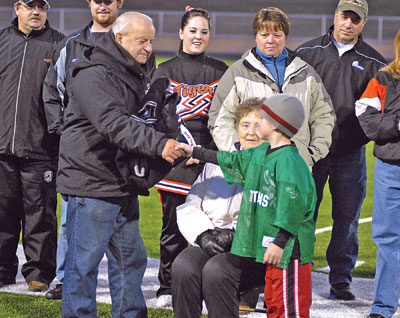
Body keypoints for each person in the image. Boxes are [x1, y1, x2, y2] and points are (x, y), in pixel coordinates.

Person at [58, 12, 183, 318]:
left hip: (119, 180)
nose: (148, 48)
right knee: (83, 265)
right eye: (142, 40)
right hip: (91, 180)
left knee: (131, 260)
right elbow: (113, 123)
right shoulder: (94, 74)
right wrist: (160, 144)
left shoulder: (132, 71)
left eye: (151, 41)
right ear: (119, 38)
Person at [177, 94, 316, 318]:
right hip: (269, 248)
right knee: (274, 304)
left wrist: (279, 243)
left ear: (274, 125)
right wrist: (194, 151)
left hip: (289, 252)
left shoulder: (290, 162)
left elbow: (292, 208)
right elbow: (232, 160)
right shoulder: (260, 153)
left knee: (289, 309)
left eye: (261, 120)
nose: (254, 126)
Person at [296, 0, 386, 300]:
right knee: (303, 213)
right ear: (334, 16)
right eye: (344, 16)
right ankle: (297, 269)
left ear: (363, 24)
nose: (348, 24)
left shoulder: (375, 62)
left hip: (350, 153)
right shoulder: (307, 53)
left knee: (347, 217)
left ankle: (340, 278)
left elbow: (377, 111)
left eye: (355, 20)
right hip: (311, 152)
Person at [42, 0, 128, 301]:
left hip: (119, 148)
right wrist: (63, 129)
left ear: (120, 3)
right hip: (81, 150)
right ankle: (66, 279)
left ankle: (123, 287)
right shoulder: (72, 45)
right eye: (97, 0)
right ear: (89, 3)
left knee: (121, 224)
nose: (103, 5)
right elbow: (53, 89)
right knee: (71, 218)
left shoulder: (131, 41)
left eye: (109, 0)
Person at [151, 6, 228, 307]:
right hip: (174, 161)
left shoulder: (222, 71)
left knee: (215, 225)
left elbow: (226, 118)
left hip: (211, 159)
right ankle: (167, 287)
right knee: (173, 226)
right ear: (181, 33)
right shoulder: (164, 70)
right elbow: (158, 119)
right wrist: (180, 152)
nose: (198, 36)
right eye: (193, 31)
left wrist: (207, 154)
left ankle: (213, 285)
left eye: (204, 32)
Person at [171, 99, 267, 318]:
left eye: (257, 125)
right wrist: (204, 234)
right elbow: (191, 204)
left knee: (217, 270)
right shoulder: (216, 162)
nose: (250, 132)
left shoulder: (272, 163)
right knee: (184, 265)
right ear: (236, 128)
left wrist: (234, 235)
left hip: (250, 248)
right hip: (212, 238)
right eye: (244, 125)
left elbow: (266, 212)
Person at [208, 7, 335, 171]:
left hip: (295, 168)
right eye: (264, 35)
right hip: (253, 170)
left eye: (277, 35)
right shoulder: (237, 72)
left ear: (285, 37)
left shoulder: (306, 73)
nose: (271, 40)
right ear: (256, 37)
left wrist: (312, 154)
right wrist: (238, 155)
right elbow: (220, 119)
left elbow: (324, 115)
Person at [0, 0, 64, 292]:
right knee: (3, 212)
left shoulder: (59, 45)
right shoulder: (2, 41)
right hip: (2, 147)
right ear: (17, 8)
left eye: (41, 6)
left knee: (40, 214)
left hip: (41, 148)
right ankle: (2, 269)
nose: (36, 11)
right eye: (30, 5)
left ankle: (39, 272)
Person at [355, 31, 400, 318]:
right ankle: (383, 306)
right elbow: (366, 120)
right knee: (387, 238)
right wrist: (397, 124)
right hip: (390, 171)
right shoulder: (383, 79)